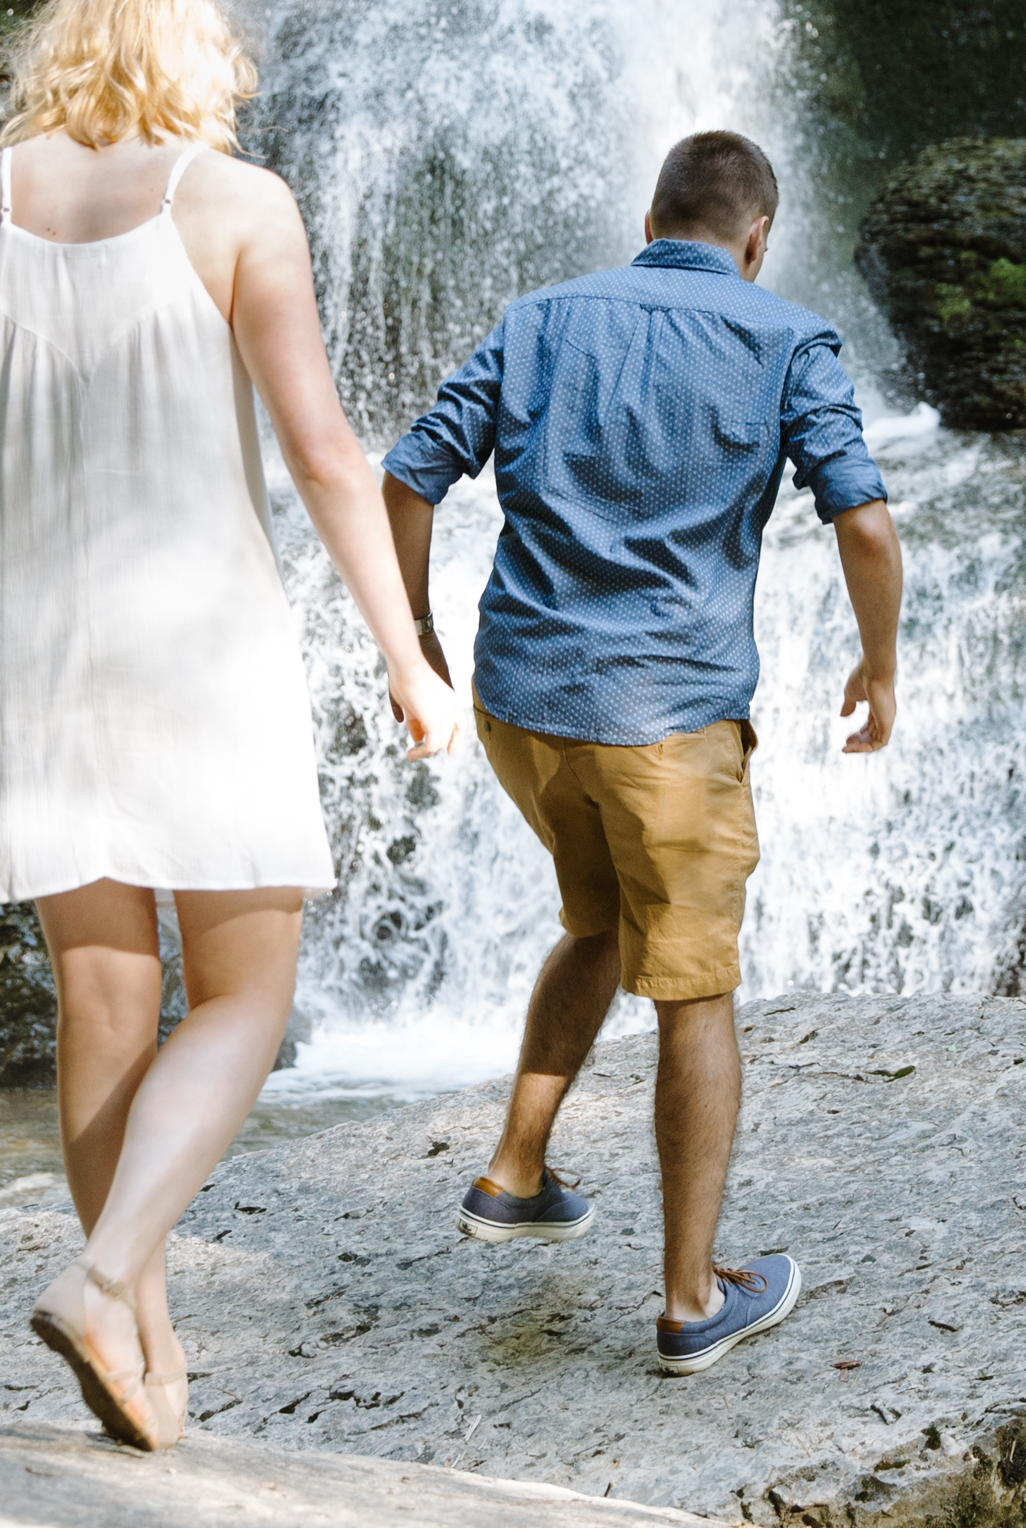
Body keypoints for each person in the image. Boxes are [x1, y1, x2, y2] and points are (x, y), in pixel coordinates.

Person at [0, 0, 457, 1453]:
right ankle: (105, 1281)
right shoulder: (240, 206)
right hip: (199, 645)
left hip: (23, 655)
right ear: (195, 61)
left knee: (104, 996)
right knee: (244, 997)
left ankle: (142, 1341)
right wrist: (407, 650)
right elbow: (329, 456)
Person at [378, 130, 904, 1377]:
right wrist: (880, 666)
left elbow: (404, 476)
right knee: (694, 985)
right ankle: (688, 1300)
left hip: (525, 708)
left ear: (652, 212)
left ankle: (515, 1172)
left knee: (604, 918)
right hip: (665, 722)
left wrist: (414, 641)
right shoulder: (786, 339)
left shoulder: (542, 317)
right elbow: (866, 525)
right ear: (757, 237)